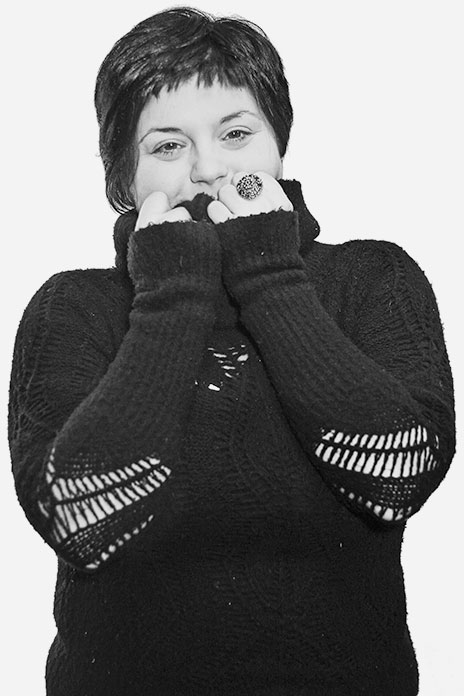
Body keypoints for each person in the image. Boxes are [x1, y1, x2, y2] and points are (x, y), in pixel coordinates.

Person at [8, 6, 455, 695]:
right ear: (125, 179)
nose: (208, 169)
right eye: (167, 147)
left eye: (237, 134)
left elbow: (398, 472)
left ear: (278, 146)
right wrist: (172, 294)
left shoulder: (373, 278)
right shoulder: (73, 306)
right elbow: (79, 518)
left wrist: (269, 274)